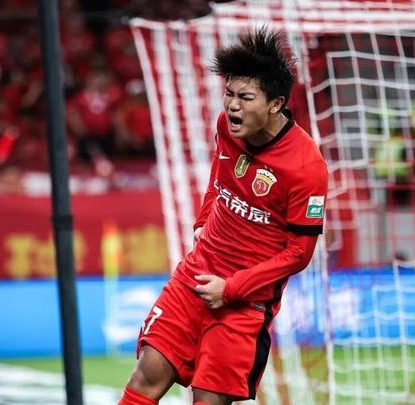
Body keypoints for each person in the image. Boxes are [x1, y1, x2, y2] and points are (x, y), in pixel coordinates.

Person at [119, 27, 328, 405]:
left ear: (276, 104)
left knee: (208, 400)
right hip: (195, 277)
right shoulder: (226, 127)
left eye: (245, 97)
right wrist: (202, 221)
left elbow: (299, 253)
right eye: (229, 93)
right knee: (147, 373)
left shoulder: (306, 167)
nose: (232, 106)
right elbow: (219, 177)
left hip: (244, 304)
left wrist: (230, 289)